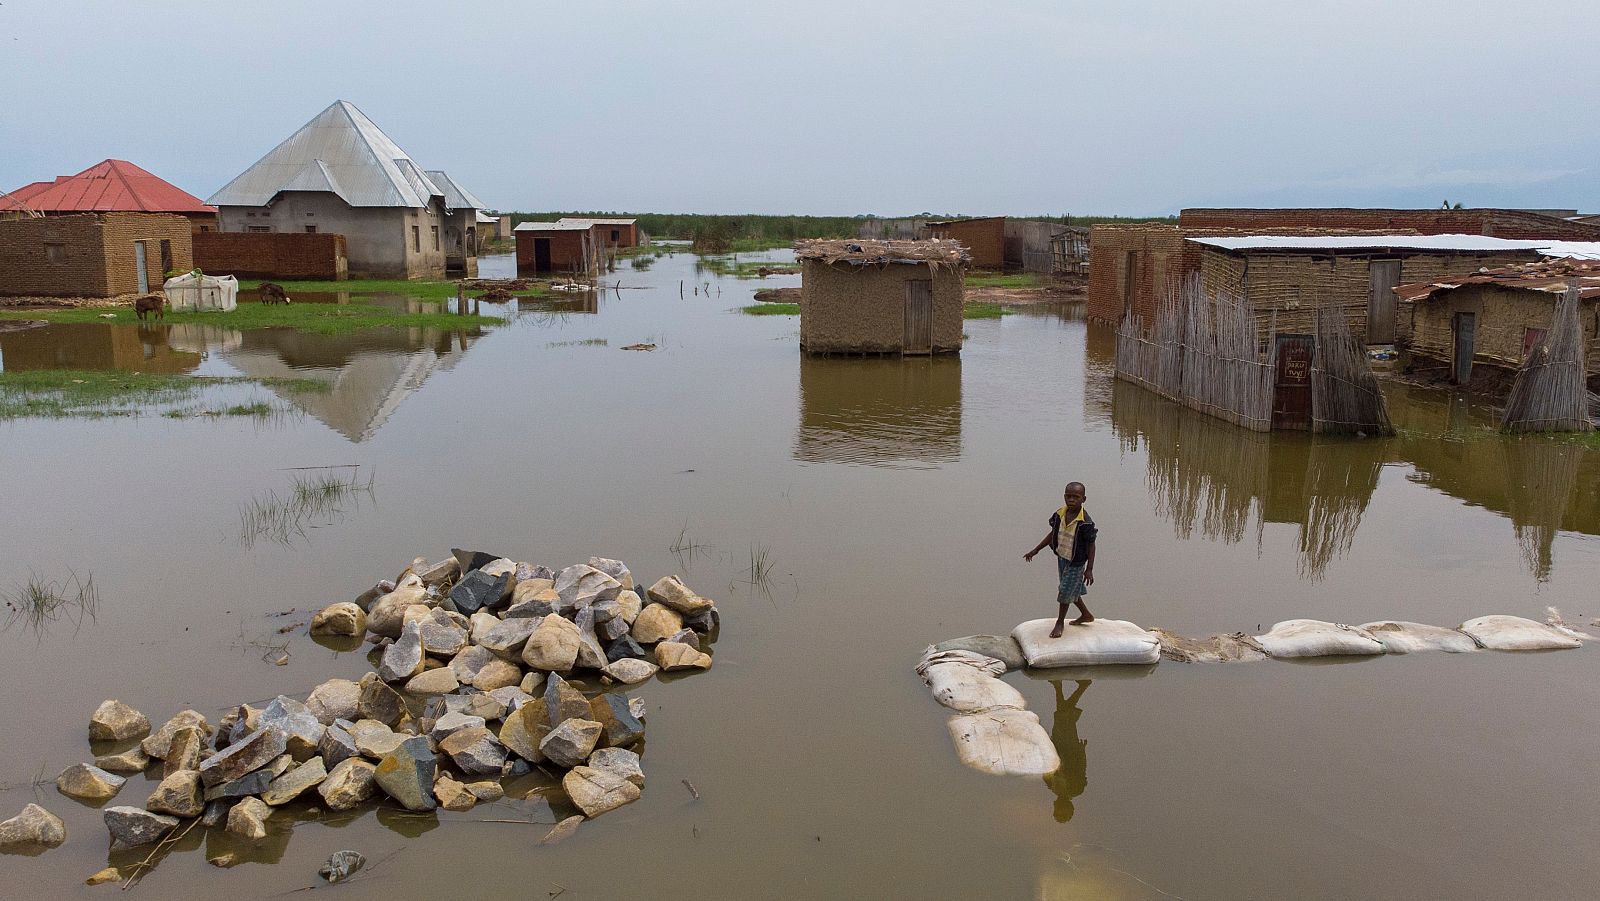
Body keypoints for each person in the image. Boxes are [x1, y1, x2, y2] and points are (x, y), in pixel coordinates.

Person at [1023, 481, 1097, 637]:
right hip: (1062, 557)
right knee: (1071, 589)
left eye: (1076, 497)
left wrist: (1089, 569)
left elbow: (1091, 545)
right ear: (1064, 497)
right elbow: (1052, 534)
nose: (1071, 500)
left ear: (1083, 499)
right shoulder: (1059, 515)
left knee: (1064, 591)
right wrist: (1036, 550)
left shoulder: (1086, 522)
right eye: (1068, 496)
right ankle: (1086, 615)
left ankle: (1059, 622)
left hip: (1076, 562)